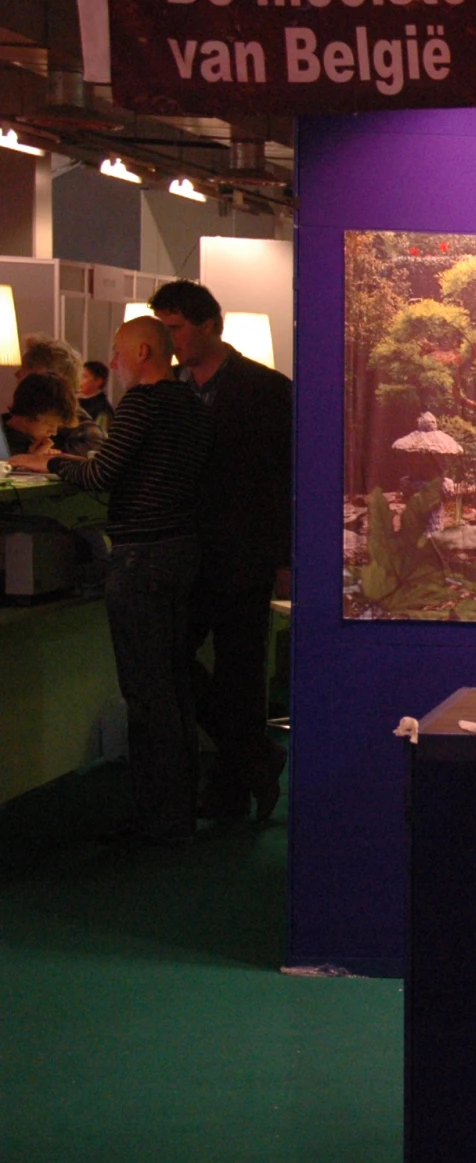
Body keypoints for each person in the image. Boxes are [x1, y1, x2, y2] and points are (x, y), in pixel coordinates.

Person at [12, 318, 214, 843]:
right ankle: (181, 807)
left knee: (146, 692)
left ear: (142, 351)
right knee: (173, 684)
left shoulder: (143, 404)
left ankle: (158, 819)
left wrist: (52, 461)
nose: (113, 364)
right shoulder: (192, 403)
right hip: (180, 553)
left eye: (117, 354)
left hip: (141, 559)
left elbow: (102, 477)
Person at [150, 280, 293, 823]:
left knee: (241, 672)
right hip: (187, 552)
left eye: (176, 327)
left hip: (243, 552)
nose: (170, 339)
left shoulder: (266, 389)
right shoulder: (171, 390)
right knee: (170, 658)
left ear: (208, 323)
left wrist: (283, 558)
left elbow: (282, 480)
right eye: (164, 328)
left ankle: (237, 782)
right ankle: (254, 759)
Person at [4, 370, 74, 457]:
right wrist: (31, 461)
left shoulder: (54, 442)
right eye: (49, 423)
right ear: (28, 413)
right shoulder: (4, 442)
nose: (54, 432)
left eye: (57, 425)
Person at [79, 358, 114, 425]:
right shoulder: (76, 401)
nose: (79, 380)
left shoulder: (103, 410)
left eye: (84, 376)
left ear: (98, 381)